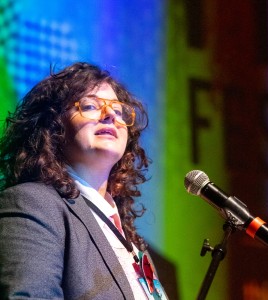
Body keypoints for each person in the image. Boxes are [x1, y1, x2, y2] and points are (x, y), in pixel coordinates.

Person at [0, 62, 167, 299]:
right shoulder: (32, 203)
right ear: (54, 126)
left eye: (118, 111)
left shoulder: (127, 236)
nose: (110, 115)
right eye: (90, 106)